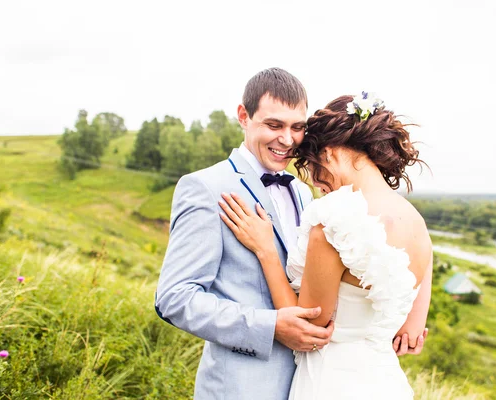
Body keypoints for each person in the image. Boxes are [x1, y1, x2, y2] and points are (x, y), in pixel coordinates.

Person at [156, 69, 428, 400]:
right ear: (244, 116)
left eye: (297, 127)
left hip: (317, 383)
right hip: (244, 389)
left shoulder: (305, 194)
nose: (287, 139)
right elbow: (175, 298)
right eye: (274, 125)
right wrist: (268, 326)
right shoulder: (205, 188)